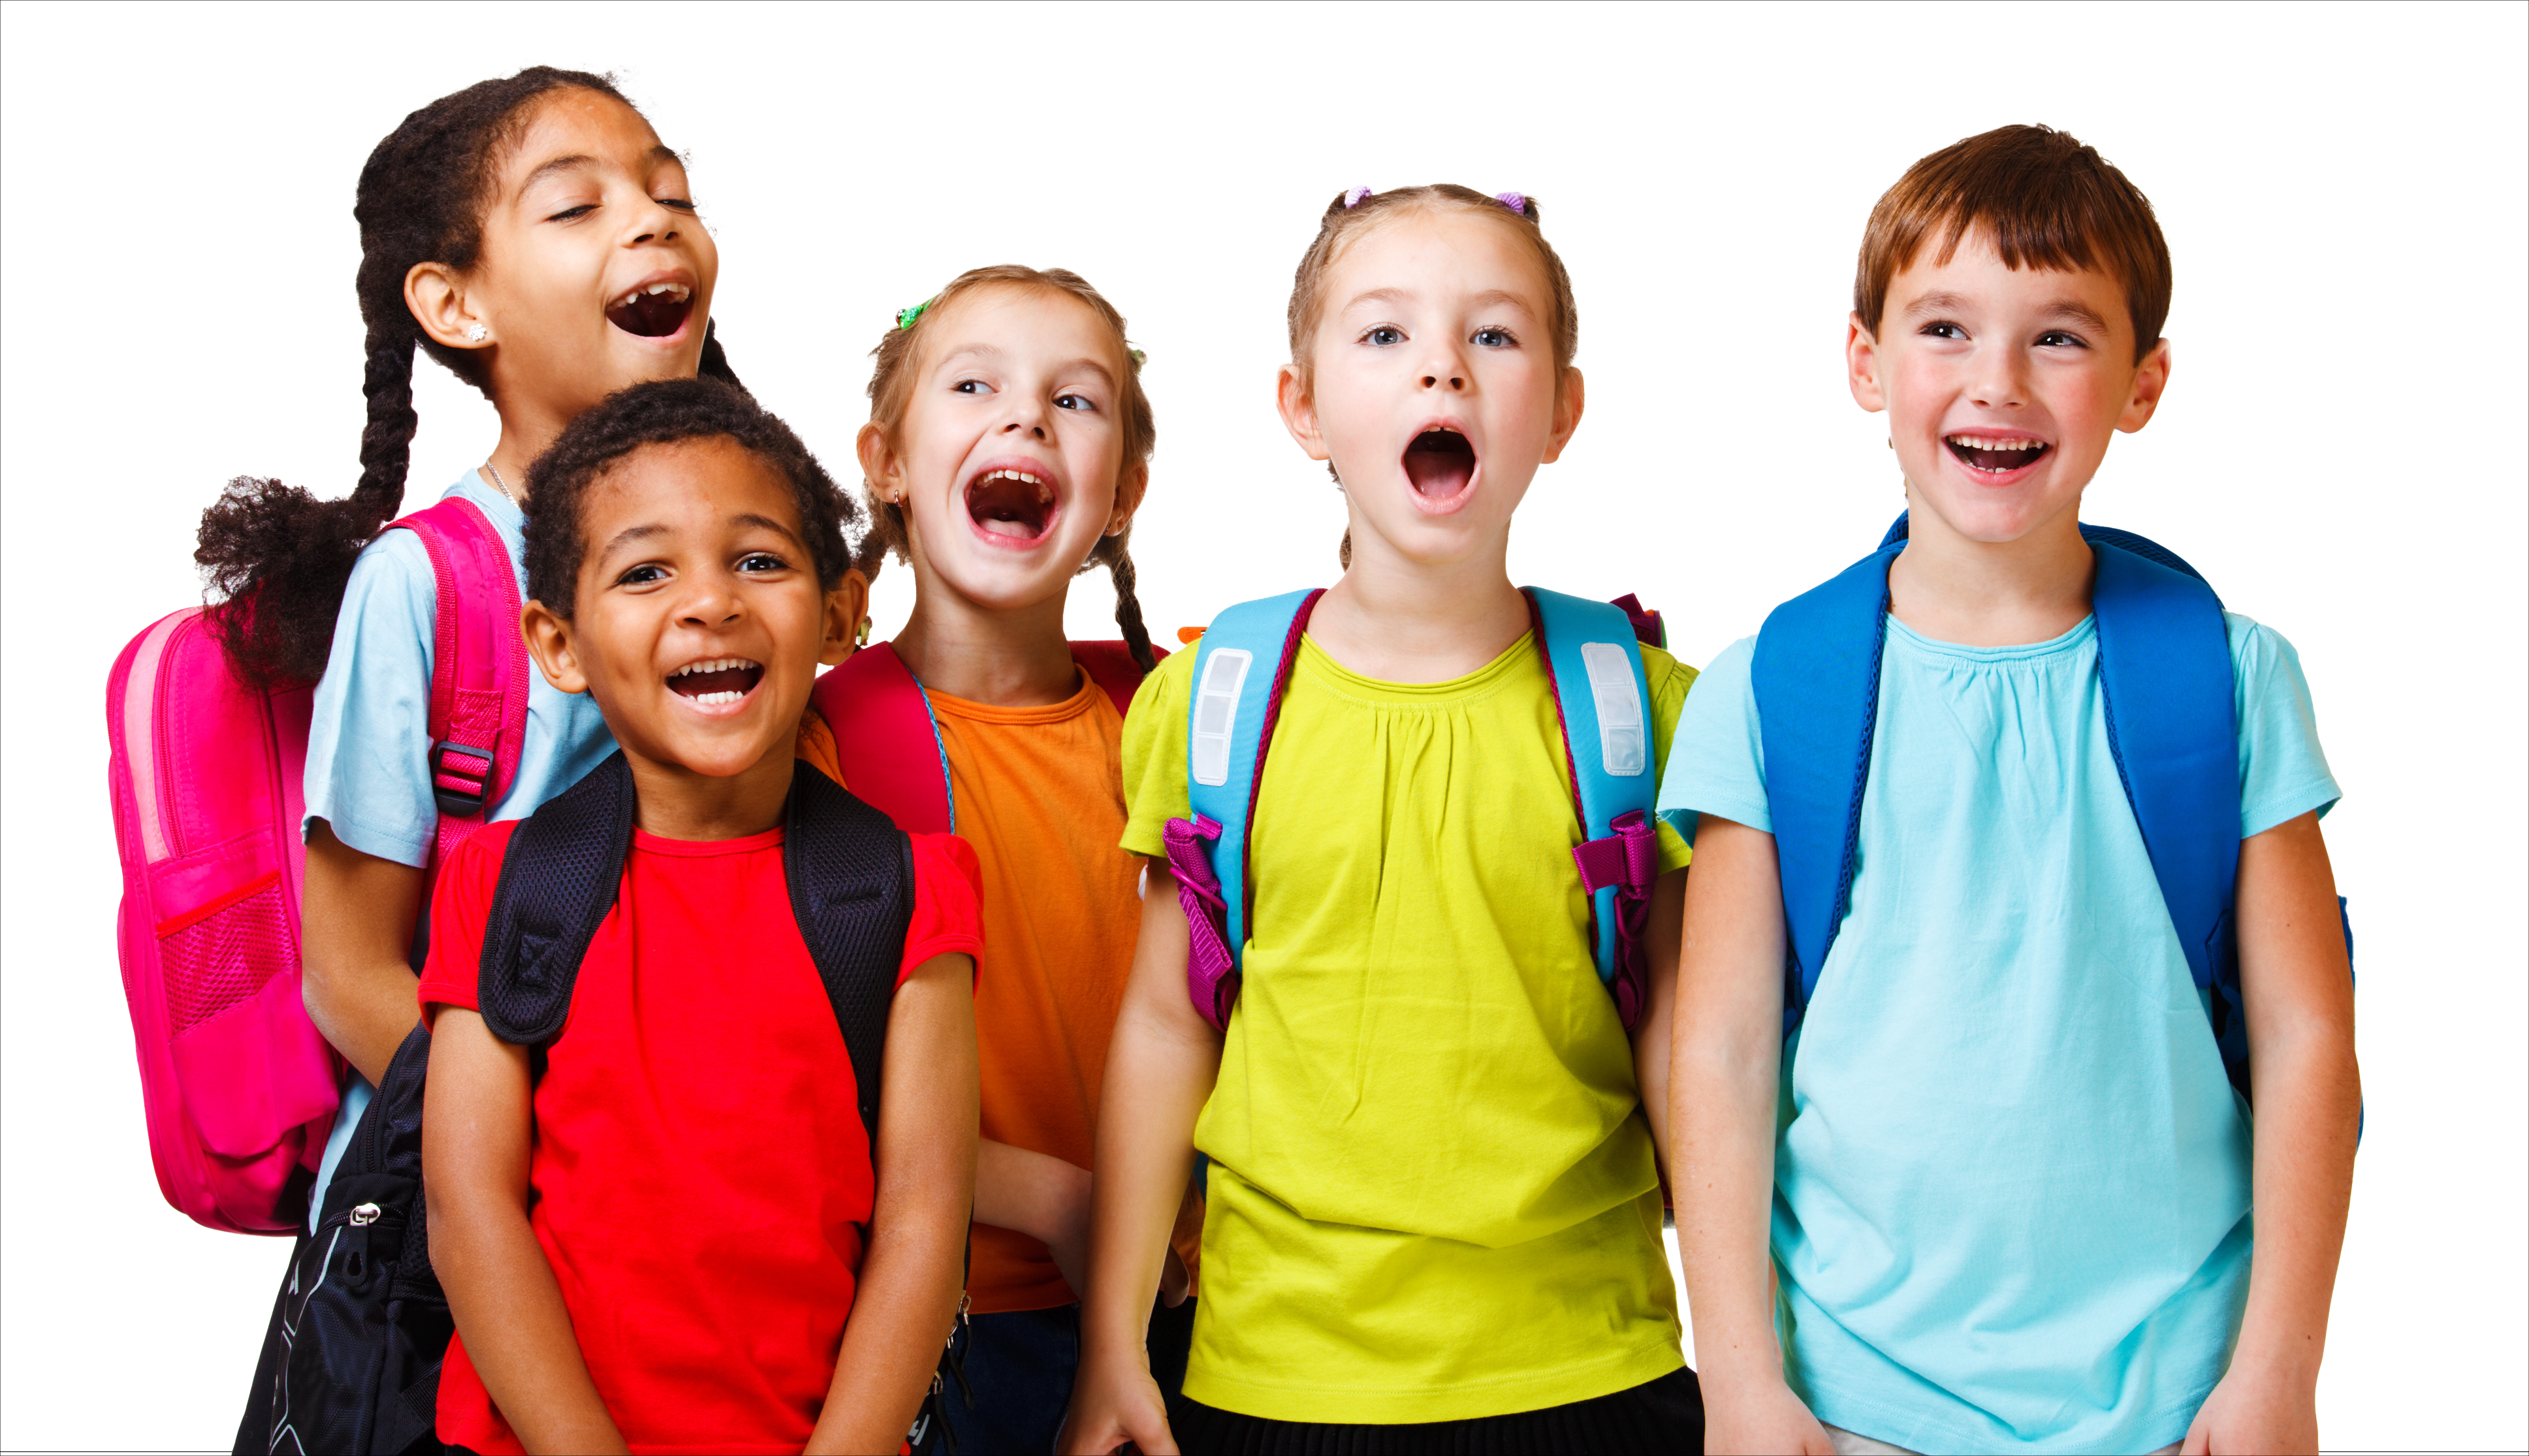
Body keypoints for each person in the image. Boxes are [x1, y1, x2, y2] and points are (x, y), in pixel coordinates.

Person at [1664, 125, 2360, 1455]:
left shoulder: (2227, 674)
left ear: (2141, 381)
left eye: (2058, 335)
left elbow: (2305, 1040)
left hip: (2175, 1392)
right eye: (1943, 327)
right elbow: (1725, 1050)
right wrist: (1740, 1379)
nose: (1998, 381)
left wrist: (2278, 1367)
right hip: (1851, 1392)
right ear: (1863, 361)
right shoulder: (1772, 684)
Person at [1062, 185, 1704, 1455]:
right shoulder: (1212, 703)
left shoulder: (1643, 705)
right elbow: (1161, 1023)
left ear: (1561, 412)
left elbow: (1697, 1048)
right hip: (1275, 1380)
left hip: (1591, 1364)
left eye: (1494, 336)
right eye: (1383, 335)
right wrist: (1114, 1342)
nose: (1442, 367)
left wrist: (1749, 1350)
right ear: (1301, 408)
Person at [191, 67, 853, 1222]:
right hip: (476, 1216)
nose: (654, 219)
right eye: (574, 206)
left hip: (704, 1195)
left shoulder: (753, 579)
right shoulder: (427, 585)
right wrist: (565, 1156)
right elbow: (351, 975)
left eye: (671, 194)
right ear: (456, 307)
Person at [421, 377, 979, 1453]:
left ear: (840, 614)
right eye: (644, 572)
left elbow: (923, 1216)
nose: (711, 601)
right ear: (561, 643)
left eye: (759, 559)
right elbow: (469, 1208)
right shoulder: (506, 885)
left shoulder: (911, 890)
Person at [797, 264, 1199, 1453]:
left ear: (1120, 493)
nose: (1025, 416)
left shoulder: (1175, 723)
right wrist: (1051, 1197)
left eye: (1075, 401)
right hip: (945, 1328)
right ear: (886, 461)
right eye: (974, 384)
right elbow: (793, 1085)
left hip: (1193, 1307)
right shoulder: (821, 744)